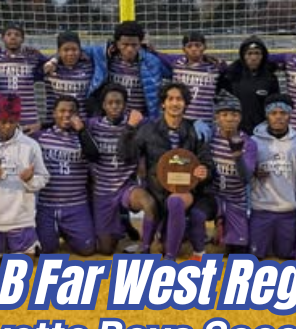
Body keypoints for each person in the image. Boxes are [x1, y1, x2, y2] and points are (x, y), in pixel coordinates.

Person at [132, 82, 212, 261]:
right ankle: (153, 243)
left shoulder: (195, 130)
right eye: (170, 99)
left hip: (187, 191)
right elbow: (128, 154)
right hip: (157, 192)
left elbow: (207, 163)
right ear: (163, 103)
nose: (175, 103)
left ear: (185, 103)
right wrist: (130, 128)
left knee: (176, 200)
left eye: (179, 99)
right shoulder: (148, 129)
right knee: (163, 240)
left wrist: (204, 171)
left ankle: (170, 257)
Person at [0, 93, 49, 262]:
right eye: (2, 122)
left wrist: (29, 180)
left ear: (18, 120)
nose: (7, 126)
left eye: (12, 122)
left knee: (26, 264)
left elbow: (43, 178)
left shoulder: (30, 146)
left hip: (21, 218)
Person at [86, 84, 153, 254]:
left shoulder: (137, 123)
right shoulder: (93, 125)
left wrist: (143, 160)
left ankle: (145, 248)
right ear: (103, 105)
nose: (114, 106)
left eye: (118, 102)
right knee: (106, 249)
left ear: (125, 105)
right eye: (110, 103)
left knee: (149, 203)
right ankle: (122, 222)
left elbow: (161, 126)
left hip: (126, 186)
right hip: (102, 191)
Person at [34, 96, 99, 255]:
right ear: (54, 113)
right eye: (62, 111)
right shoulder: (40, 137)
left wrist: (81, 130)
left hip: (76, 205)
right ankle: (55, 231)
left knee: (87, 249)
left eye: (72, 111)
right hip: (47, 205)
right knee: (46, 250)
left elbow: (94, 155)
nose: (67, 115)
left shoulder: (84, 137)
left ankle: (67, 232)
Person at [249, 94, 296, 259]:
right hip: (261, 210)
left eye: (283, 113)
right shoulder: (253, 141)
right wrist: (253, 171)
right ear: (267, 115)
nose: (278, 117)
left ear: (290, 115)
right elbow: (244, 171)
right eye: (274, 113)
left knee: (286, 255)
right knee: (255, 256)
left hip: (287, 211)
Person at [82, 21, 171, 120]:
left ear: (141, 43)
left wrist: (157, 53)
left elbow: (175, 66)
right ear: (117, 43)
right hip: (111, 119)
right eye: (125, 44)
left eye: (134, 45)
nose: (129, 49)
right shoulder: (104, 56)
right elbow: (77, 49)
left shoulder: (151, 62)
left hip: (139, 120)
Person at [207, 92, 257, 254]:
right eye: (224, 114)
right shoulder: (209, 138)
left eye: (234, 114)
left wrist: (238, 157)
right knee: (196, 215)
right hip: (212, 198)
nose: (229, 119)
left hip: (236, 201)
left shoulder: (248, 143)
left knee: (239, 250)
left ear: (240, 118)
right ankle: (214, 226)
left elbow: (247, 178)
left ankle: (226, 231)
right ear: (217, 117)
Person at [152, 31, 224, 141]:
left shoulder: (214, 67)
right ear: (183, 49)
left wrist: (220, 62)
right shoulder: (177, 63)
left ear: (205, 47)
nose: (194, 49)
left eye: (198, 45)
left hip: (204, 122)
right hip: (180, 121)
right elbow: (159, 55)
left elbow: (230, 70)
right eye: (189, 46)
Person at [0, 23, 48, 135]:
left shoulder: (31, 57)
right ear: (3, 38)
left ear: (22, 39)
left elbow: (51, 62)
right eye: (9, 34)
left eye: (17, 35)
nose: (13, 37)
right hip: (2, 117)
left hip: (27, 117)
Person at [217, 36, 281, 134]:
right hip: (237, 131)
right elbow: (215, 93)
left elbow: (275, 106)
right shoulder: (232, 76)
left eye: (257, 53)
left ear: (263, 56)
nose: (253, 58)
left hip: (262, 132)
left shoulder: (270, 79)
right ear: (243, 56)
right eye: (249, 54)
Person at [43, 31, 95, 121]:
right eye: (66, 50)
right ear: (59, 51)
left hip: (82, 122)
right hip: (56, 122)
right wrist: (54, 59)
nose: (70, 53)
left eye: (74, 49)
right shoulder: (49, 68)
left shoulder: (89, 66)